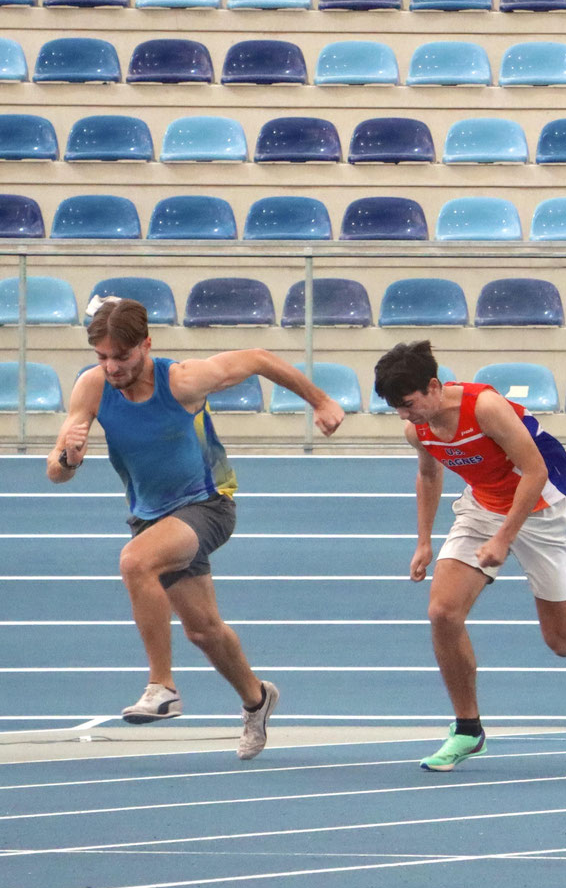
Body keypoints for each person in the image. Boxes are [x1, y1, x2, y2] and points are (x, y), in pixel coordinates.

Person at [48, 296, 344, 759]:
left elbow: (259, 359)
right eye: (102, 357)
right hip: (150, 516)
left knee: (135, 562)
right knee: (203, 630)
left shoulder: (182, 381)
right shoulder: (91, 386)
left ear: (146, 345)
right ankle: (257, 698)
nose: (112, 367)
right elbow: (56, 471)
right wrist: (69, 455)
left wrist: (322, 401)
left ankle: (161, 686)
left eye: (121, 357)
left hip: (208, 504)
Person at [375, 340, 566, 772]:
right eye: (397, 408)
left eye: (409, 404)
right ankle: (468, 730)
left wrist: (505, 539)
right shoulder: (417, 429)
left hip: (541, 507)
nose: (405, 415)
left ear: (433, 387)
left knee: (562, 641)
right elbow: (429, 472)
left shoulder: (485, 407)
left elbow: (535, 471)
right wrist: (423, 540)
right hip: (482, 508)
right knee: (443, 613)